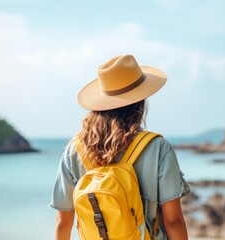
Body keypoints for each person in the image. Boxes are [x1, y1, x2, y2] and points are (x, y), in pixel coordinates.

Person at [49, 54, 190, 240]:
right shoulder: (157, 147)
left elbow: (63, 222)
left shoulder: (74, 150)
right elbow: (173, 221)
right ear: (141, 103)